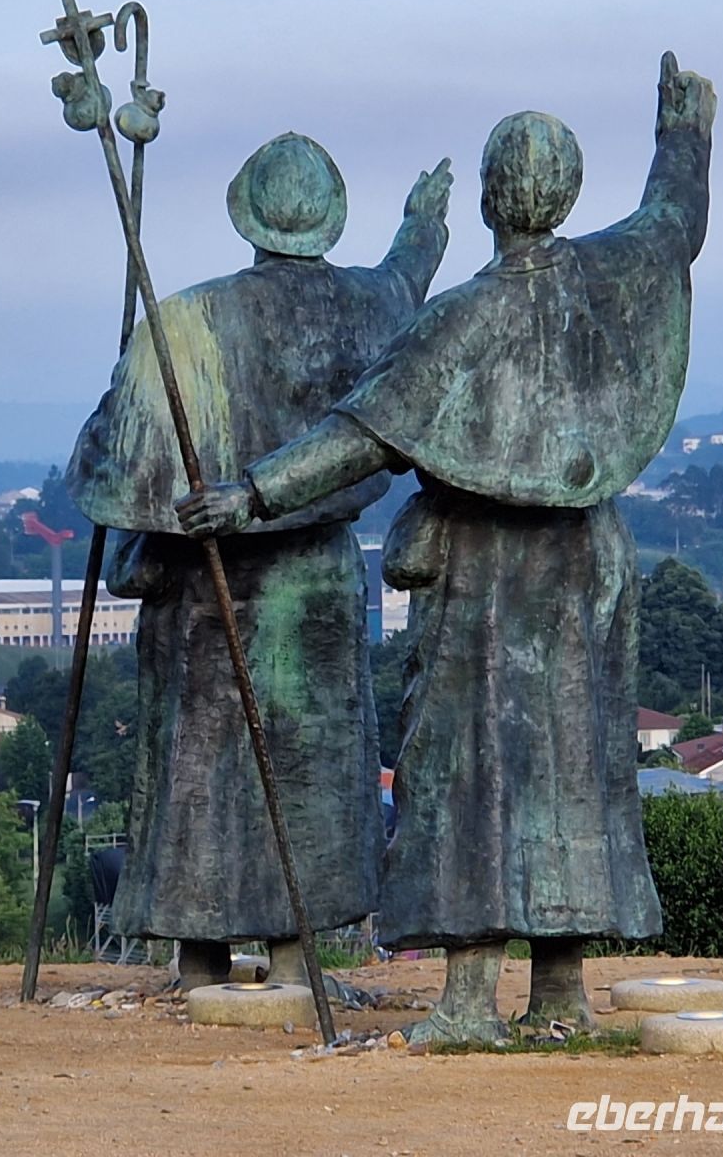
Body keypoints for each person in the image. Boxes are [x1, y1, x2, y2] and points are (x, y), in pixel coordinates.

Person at [176, 54, 714, 1036]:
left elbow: (358, 435)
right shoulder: (613, 276)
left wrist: (250, 492)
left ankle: (471, 998)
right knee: (574, 770)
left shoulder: (459, 321)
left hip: (485, 570)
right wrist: (683, 135)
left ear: (490, 202)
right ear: (565, 195)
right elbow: (676, 221)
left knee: (471, 771)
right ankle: (560, 991)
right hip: (589, 565)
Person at [67, 132, 451, 987]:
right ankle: (291, 958)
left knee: (197, 762)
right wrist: (424, 225)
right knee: (309, 768)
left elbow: (111, 471)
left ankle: (198, 959)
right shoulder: (372, 305)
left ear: (246, 215)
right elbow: (406, 279)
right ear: (330, 219)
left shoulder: (189, 322)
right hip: (315, 579)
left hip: (207, 580)